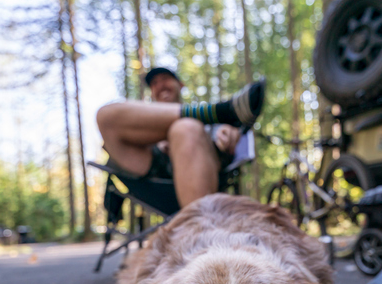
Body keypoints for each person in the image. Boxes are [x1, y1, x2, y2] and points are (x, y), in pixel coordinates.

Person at [96, 67, 265, 207]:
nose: (160, 85)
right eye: (154, 83)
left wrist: (229, 131)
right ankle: (224, 112)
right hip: (154, 177)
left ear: (181, 85)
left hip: (201, 169)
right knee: (104, 116)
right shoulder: (135, 120)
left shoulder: (211, 126)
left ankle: (199, 230)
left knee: (186, 127)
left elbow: (230, 137)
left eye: (165, 79)